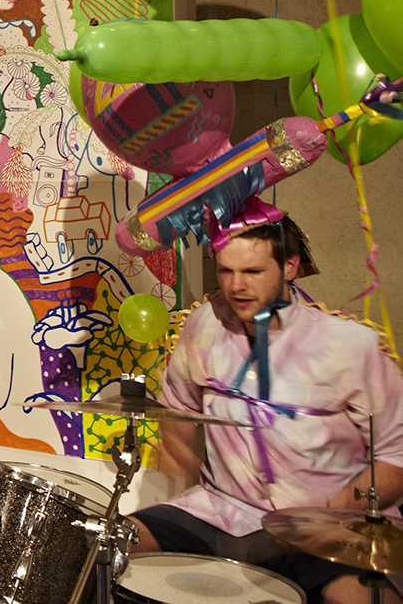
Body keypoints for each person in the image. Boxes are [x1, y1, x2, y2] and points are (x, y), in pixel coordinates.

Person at [130, 201, 403, 604]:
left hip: (325, 528)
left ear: (289, 267)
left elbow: (396, 454)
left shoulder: (350, 346)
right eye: (226, 270)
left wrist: (330, 515)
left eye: (253, 272)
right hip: (220, 511)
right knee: (107, 546)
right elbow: (178, 409)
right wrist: (175, 476)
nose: (236, 286)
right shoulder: (203, 324)